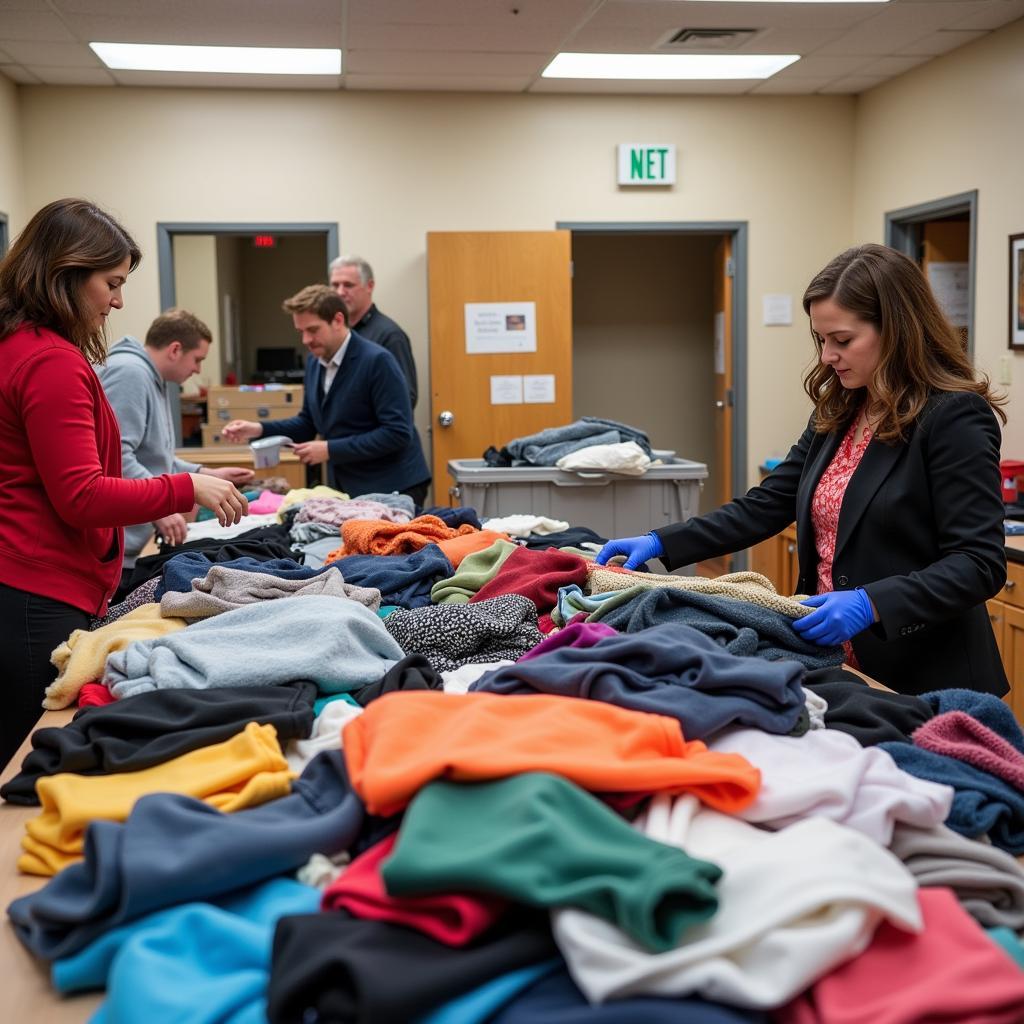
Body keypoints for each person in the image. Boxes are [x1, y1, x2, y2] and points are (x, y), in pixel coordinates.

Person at [596, 243, 1008, 698]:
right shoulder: (843, 408)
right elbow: (767, 505)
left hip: (925, 675)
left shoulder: (953, 417)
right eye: (822, 340)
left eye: (843, 340)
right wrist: (662, 541)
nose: (828, 355)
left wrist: (872, 603)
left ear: (897, 330)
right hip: (838, 663)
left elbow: (977, 564)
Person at [0, 199, 248, 766]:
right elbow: (83, 494)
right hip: (39, 595)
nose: (117, 301)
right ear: (66, 273)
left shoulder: (19, 347)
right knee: (29, 767)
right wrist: (187, 490)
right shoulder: (49, 361)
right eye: (110, 283)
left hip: (25, 585)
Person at [221, 284, 431, 504]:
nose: (305, 340)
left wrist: (330, 449)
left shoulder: (377, 361)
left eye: (313, 330)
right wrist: (259, 429)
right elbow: (308, 423)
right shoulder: (314, 362)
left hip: (392, 485)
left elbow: (397, 432)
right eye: (301, 332)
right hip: (350, 485)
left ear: (338, 320)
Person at [98, 309, 254, 597]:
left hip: (128, 540)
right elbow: (115, 456)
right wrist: (160, 508)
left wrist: (205, 474)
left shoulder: (149, 377)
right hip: (111, 546)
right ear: (175, 349)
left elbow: (153, 456)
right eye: (198, 360)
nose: (197, 370)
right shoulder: (130, 374)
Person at [328, 255, 418, 409]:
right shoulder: (334, 334)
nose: (340, 292)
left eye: (348, 285)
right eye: (335, 285)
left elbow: (406, 398)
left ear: (369, 286)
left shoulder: (389, 335)